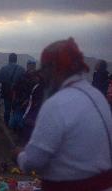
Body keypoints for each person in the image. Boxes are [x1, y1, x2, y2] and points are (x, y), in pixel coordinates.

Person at [15, 38, 112, 191]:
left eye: (44, 70)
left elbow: (33, 162)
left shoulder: (56, 104)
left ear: (54, 69)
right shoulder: (98, 96)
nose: (43, 77)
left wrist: (20, 156)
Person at [0, 53, 25, 127]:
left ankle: (6, 126)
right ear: (16, 59)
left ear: (9, 59)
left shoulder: (3, 68)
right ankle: (15, 127)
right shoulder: (21, 69)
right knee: (16, 111)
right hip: (18, 94)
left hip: (7, 93)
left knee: (7, 111)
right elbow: (24, 81)